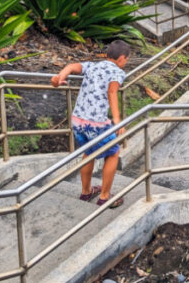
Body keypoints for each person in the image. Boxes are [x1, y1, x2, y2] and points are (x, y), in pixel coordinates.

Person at [52, 40, 131, 208]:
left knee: (89, 152)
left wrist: (60, 77)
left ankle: (86, 192)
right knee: (113, 153)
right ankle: (104, 196)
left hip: (77, 120)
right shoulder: (117, 72)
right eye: (126, 60)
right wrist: (117, 119)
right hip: (95, 123)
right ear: (122, 58)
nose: (126, 63)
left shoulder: (92, 66)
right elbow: (112, 91)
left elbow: (72, 66)